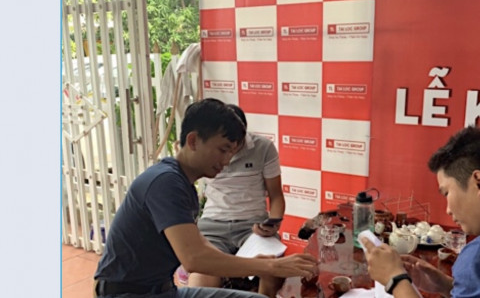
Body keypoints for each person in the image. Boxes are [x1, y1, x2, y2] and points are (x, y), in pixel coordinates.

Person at [93, 98, 317, 298]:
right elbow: (194, 259)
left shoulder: (182, 183)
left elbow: (200, 245)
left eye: (232, 152)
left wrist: (258, 263)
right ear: (193, 141)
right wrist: (269, 267)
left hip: (163, 290)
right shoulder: (165, 182)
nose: (227, 161)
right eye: (223, 150)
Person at [361, 126, 480, 298]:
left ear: (478, 182)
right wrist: (448, 286)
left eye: (447, 193)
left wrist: (395, 279)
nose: (448, 210)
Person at [189, 104, 286, 296]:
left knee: (272, 269)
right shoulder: (203, 150)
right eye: (223, 148)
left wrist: (272, 223)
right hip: (212, 225)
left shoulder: (263, 147)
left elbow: (276, 196)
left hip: (253, 227)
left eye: (235, 146)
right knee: (201, 282)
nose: (228, 158)